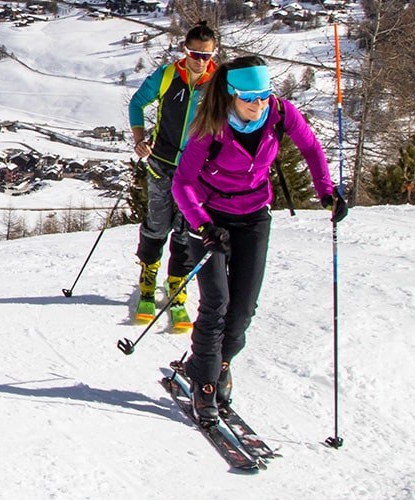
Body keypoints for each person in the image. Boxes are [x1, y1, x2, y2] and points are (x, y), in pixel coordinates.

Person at [173, 56, 349, 426]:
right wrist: (204, 226)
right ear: (231, 94)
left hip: (253, 215)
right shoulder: (210, 127)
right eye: (250, 97)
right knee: (216, 302)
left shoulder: (280, 114)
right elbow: (183, 184)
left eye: (265, 95)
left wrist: (326, 191)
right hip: (207, 217)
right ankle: (204, 385)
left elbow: (312, 148)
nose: (258, 104)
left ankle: (216, 364)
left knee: (242, 309)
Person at [125, 22, 219, 332]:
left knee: (186, 229)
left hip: (196, 171)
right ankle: (148, 283)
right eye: (195, 54)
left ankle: (177, 287)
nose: (201, 61)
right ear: (185, 50)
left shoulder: (218, 84)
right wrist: (140, 138)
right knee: (158, 222)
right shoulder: (168, 75)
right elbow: (137, 103)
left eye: (207, 55)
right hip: (162, 162)